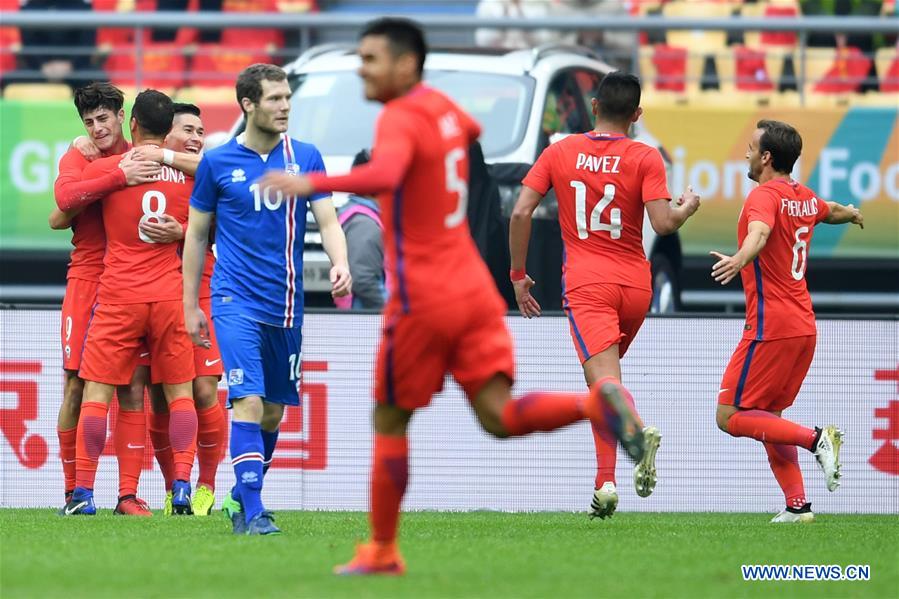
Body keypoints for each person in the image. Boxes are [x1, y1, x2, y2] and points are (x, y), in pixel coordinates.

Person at [261, 17, 646, 576]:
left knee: (390, 418)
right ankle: (595, 403)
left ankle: (382, 550)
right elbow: (467, 129)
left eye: (371, 59)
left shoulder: (399, 116)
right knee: (498, 415)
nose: (361, 69)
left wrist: (312, 183)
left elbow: (387, 172)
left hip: (423, 295)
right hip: (472, 286)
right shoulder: (444, 109)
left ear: (406, 64)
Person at [509, 72, 700, 519]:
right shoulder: (646, 155)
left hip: (587, 284)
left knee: (606, 386)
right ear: (637, 115)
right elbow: (664, 224)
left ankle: (635, 434)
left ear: (593, 106)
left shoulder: (560, 151)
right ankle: (604, 486)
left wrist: (518, 275)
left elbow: (520, 212)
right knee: (605, 385)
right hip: (635, 286)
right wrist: (686, 207)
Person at [182, 63, 351, 535]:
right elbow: (196, 235)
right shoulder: (217, 163)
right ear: (248, 104)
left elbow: (328, 221)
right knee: (249, 401)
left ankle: (239, 496)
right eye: (275, 99)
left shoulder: (306, 157)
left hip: (286, 304)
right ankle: (254, 512)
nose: (285, 107)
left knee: (273, 412)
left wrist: (340, 262)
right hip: (233, 299)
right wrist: (190, 304)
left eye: (287, 98)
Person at [710, 119, 862, 523]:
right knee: (768, 417)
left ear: (766, 157)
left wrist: (738, 259)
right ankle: (798, 505)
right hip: (803, 327)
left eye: (751, 148)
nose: (745, 153)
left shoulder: (763, 196)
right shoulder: (803, 196)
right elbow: (830, 211)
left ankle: (816, 439)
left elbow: (759, 235)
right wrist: (852, 214)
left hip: (770, 327)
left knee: (729, 415)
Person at [63, 90, 199, 516]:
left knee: (96, 393)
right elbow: (218, 212)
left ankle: (82, 493)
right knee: (179, 394)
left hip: (118, 296)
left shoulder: (112, 167)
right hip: (169, 294)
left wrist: (100, 165)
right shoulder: (189, 174)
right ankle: (182, 486)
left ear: (131, 123)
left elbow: (65, 202)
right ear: (169, 129)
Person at [49, 82, 161, 517]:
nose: (96, 128)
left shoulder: (143, 154)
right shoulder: (79, 156)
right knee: (76, 385)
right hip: (88, 279)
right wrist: (116, 174)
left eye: (103, 119)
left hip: (132, 283)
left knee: (133, 387)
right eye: (89, 122)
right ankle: (74, 493)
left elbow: (61, 215)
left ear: (121, 118)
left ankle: (127, 496)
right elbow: (62, 203)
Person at [139, 103, 227, 517]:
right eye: (188, 130)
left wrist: (186, 232)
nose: (196, 138)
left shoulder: (207, 171)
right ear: (165, 133)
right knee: (161, 397)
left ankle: (206, 485)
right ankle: (176, 486)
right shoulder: (142, 168)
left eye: (200, 131)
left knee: (205, 389)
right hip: (154, 291)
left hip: (202, 286)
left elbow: (226, 223)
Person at [335, 149, 386, 310]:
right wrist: (393, 310)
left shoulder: (361, 215)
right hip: (367, 318)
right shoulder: (365, 224)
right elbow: (363, 279)